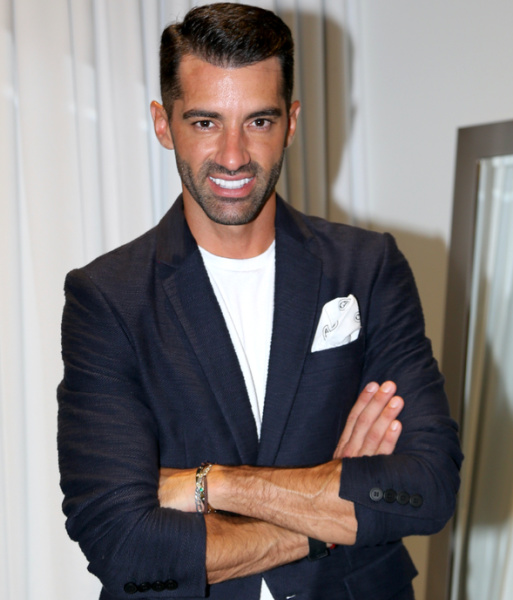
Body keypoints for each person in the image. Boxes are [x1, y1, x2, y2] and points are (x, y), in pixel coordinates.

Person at [57, 4, 461, 599]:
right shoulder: (108, 298)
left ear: (291, 122)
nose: (233, 155)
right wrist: (328, 518)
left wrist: (215, 484)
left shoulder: (367, 267)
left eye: (259, 121)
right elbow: (126, 547)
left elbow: (427, 487)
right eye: (205, 122)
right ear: (163, 124)